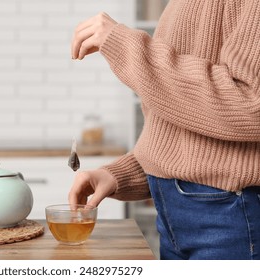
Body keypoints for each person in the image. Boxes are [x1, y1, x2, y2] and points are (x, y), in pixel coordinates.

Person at [68, 0, 260, 260]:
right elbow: (181, 122)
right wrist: (120, 174)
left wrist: (127, 47)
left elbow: (251, 104)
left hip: (231, 218)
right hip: (178, 219)